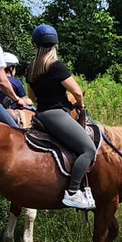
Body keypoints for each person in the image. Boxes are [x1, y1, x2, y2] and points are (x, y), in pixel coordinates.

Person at [26, 24, 96, 210]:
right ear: (55, 45)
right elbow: (77, 92)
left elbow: (32, 97)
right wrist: (80, 105)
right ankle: (73, 192)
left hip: (40, 114)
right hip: (56, 114)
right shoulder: (56, 66)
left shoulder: (31, 68)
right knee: (88, 150)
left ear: (36, 46)